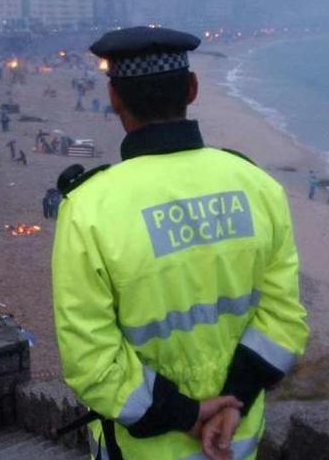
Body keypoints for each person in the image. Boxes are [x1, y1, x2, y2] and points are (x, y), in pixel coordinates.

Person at [52, 27, 309, 460]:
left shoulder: (88, 208)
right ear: (192, 89)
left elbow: (92, 362)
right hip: (236, 439)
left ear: (115, 98)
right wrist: (235, 400)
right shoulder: (258, 187)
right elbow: (284, 321)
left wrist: (187, 414)